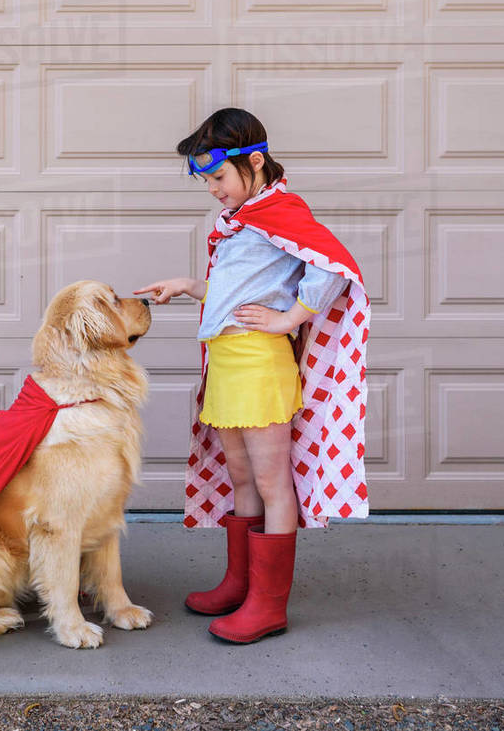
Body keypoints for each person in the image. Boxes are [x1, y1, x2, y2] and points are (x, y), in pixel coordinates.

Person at [134, 107, 370, 644]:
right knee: (243, 480)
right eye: (205, 180)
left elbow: (334, 266)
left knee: (271, 481)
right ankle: (239, 585)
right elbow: (240, 290)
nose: (213, 190)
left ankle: (268, 606)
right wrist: (190, 285)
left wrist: (290, 318)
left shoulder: (280, 211)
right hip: (227, 362)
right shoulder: (245, 218)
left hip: (260, 364)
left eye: (218, 176)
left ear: (254, 161)